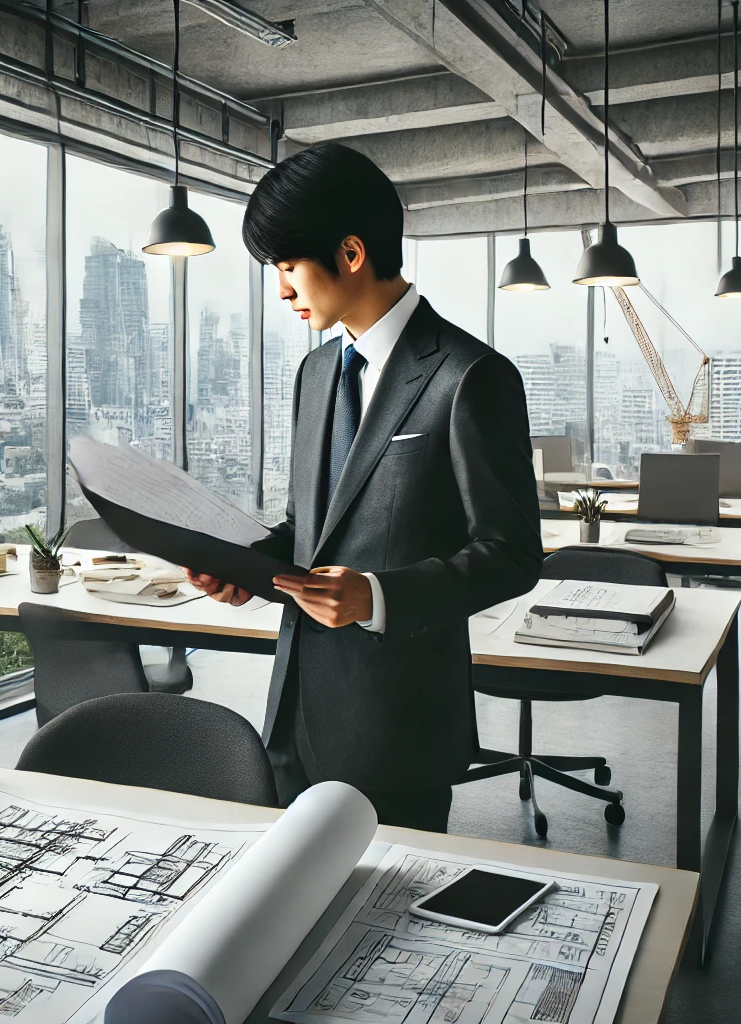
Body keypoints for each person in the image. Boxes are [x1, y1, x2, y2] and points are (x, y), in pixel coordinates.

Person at [186, 144, 541, 832]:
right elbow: (309, 529)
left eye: (289, 267)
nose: (282, 290)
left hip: (396, 724)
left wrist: (377, 597)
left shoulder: (470, 376)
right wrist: (248, 567)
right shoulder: (316, 374)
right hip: (294, 714)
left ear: (350, 254)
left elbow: (512, 553)